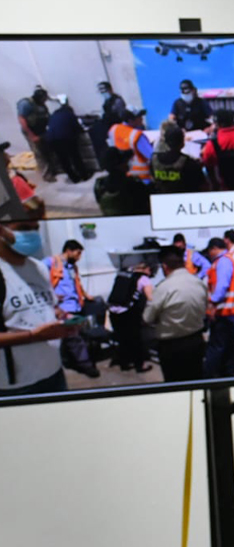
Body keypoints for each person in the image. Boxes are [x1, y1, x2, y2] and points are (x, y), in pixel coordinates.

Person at [0, 204, 79, 396]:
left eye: (36, 228)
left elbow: (47, 307)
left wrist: (60, 316)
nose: (33, 235)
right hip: (17, 385)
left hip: (54, 372)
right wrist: (34, 336)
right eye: (24, 228)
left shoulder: (39, 268)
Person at [144, 245, 208, 382]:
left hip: (172, 347)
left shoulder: (163, 288)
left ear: (165, 267)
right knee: (196, 380)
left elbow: (147, 318)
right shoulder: (199, 283)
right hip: (196, 341)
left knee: (175, 383)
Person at [43, 239, 98, 378]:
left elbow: (77, 283)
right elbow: (38, 279)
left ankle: (70, 361)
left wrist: (86, 295)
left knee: (75, 336)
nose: (79, 257)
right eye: (78, 253)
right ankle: (86, 365)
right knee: (74, 338)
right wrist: (51, 295)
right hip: (63, 308)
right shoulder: (51, 262)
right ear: (68, 250)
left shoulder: (72, 267)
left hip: (77, 305)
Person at [203, 238, 234, 377]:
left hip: (222, 311)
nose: (209, 255)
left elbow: (222, 286)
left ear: (213, 248)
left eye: (209, 252)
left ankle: (209, 377)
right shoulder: (228, 259)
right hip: (229, 311)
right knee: (228, 345)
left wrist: (212, 303)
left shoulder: (223, 262)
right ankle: (227, 373)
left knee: (216, 346)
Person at [106, 261, 154, 372]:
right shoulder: (144, 279)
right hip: (128, 313)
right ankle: (140, 366)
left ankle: (124, 363)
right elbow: (151, 299)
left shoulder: (122, 275)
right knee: (136, 339)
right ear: (147, 269)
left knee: (122, 339)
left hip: (113, 312)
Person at [151, 122, 208, 194]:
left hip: (160, 198)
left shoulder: (154, 159)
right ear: (182, 142)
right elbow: (202, 185)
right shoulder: (189, 163)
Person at [94, 147, 151, 216]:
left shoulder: (99, 185)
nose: (127, 162)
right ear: (119, 165)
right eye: (125, 161)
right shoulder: (133, 185)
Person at [16, 86, 55, 182]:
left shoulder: (42, 106)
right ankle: (46, 175)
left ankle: (52, 169)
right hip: (31, 132)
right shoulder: (26, 104)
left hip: (41, 131)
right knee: (39, 153)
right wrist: (32, 135)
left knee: (47, 151)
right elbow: (22, 119)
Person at [45, 97, 89, 183]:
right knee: (75, 157)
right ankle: (84, 175)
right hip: (66, 138)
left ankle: (74, 178)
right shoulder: (69, 114)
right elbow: (78, 128)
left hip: (52, 140)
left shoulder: (53, 116)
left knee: (64, 160)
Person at [107, 108, 153, 184]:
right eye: (139, 117)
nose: (141, 119)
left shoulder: (113, 129)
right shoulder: (137, 136)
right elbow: (152, 156)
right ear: (130, 120)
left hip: (122, 176)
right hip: (142, 178)